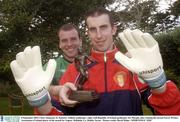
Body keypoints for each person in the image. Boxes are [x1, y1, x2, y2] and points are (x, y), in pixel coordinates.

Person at [10, 7, 180, 115]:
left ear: (114, 29)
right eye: (93, 29)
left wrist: (158, 83)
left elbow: (171, 114)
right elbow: (57, 115)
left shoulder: (134, 65)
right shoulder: (76, 69)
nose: (98, 36)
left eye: (104, 27)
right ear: (88, 33)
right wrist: (40, 101)